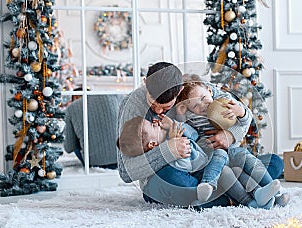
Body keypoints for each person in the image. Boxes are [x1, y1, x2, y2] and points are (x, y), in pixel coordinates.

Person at [117, 62, 284, 207]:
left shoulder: (196, 91)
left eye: (166, 107)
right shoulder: (131, 105)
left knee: (274, 163)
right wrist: (168, 151)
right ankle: (231, 193)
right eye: (153, 103)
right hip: (173, 172)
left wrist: (230, 136)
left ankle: (220, 193)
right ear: (145, 83)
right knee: (169, 179)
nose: (158, 112)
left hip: (209, 161)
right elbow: (126, 172)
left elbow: (241, 113)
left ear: (179, 90)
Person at [176, 74, 290, 206]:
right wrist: (180, 113)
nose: (203, 105)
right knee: (232, 172)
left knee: (251, 158)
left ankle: (274, 193)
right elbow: (181, 128)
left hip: (233, 151)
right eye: (196, 105)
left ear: (209, 90)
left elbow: (246, 121)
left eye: (203, 98)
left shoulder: (224, 102)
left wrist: (240, 112)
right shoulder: (192, 116)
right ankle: (247, 197)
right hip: (213, 159)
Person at [118, 115, 280, 207]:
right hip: (197, 172)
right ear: (152, 144)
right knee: (226, 170)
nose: (157, 122)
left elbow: (194, 135)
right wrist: (171, 149)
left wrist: (174, 124)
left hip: (212, 158)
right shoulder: (163, 146)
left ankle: (262, 194)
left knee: (271, 162)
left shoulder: (168, 128)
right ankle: (238, 199)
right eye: (153, 126)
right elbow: (187, 166)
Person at [64, 91, 123, 169]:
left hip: (94, 162)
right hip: (123, 158)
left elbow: (69, 147)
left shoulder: (71, 108)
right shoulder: (117, 97)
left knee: (76, 139)